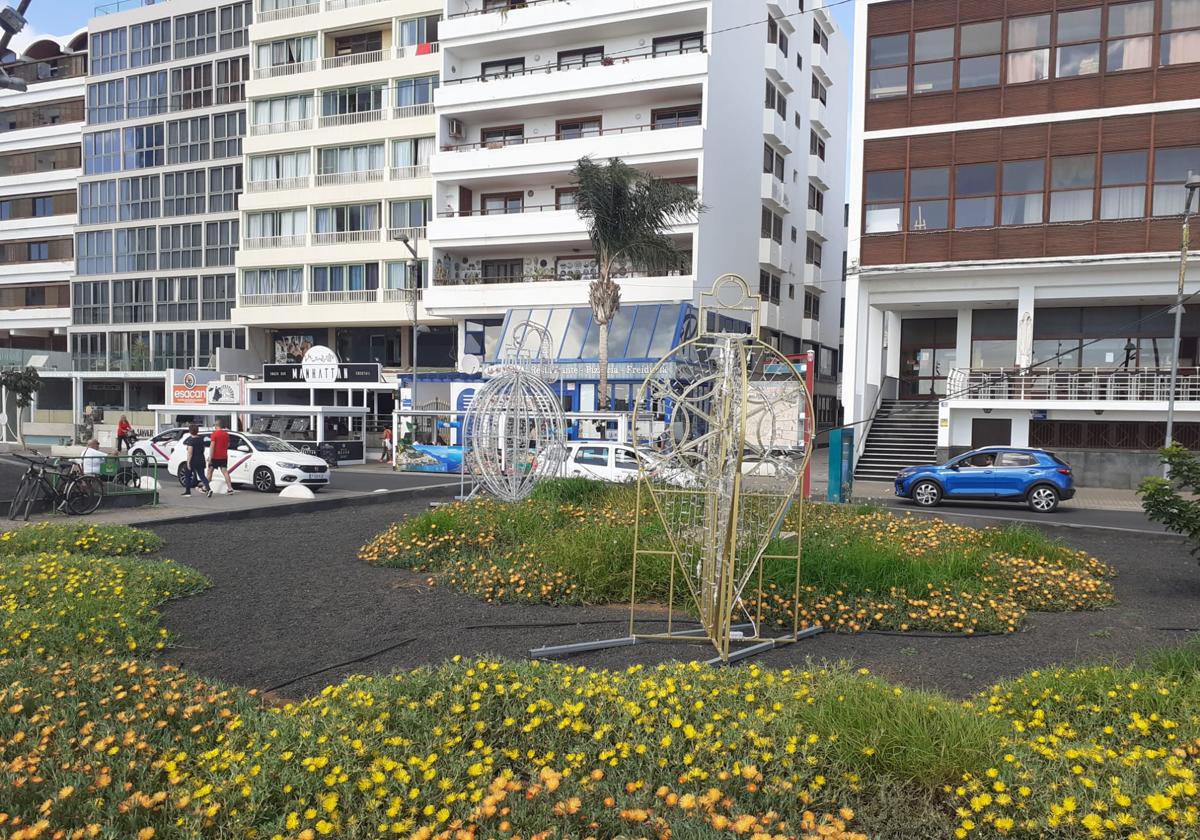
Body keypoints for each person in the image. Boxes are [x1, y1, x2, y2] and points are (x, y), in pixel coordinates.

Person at [180, 424, 212, 498]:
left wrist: (188, 462)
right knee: (202, 476)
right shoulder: (201, 439)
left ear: (190, 431)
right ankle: (208, 489)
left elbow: (190, 453)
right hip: (201, 459)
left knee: (188, 475)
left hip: (193, 460)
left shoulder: (191, 441)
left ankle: (188, 492)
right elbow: (203, 449)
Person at [206, 419, 234, 495]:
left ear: (216, 425)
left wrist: (210, 457)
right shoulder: (226, 434)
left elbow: (212, 446)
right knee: (225, 472)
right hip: (224, 456)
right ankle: (230, 488)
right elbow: (228, 445)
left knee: (210, 471)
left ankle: (205, 487)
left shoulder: (214, 434)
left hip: (215, 456)